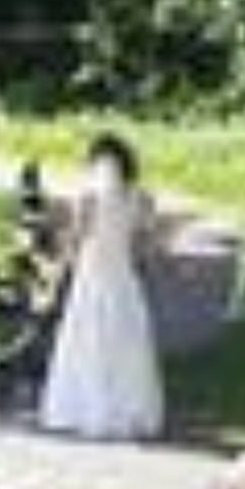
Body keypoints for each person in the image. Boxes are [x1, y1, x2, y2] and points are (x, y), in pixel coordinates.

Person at [37, 132, 164, 440]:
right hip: (122, 277)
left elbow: (75, 240)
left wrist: (55, 275)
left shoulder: (88, 196)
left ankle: (84, 409)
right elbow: (145, 245)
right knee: (127, 342)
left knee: (87, 340)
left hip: (91, 276)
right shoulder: (141, 198)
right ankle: (128, 411)